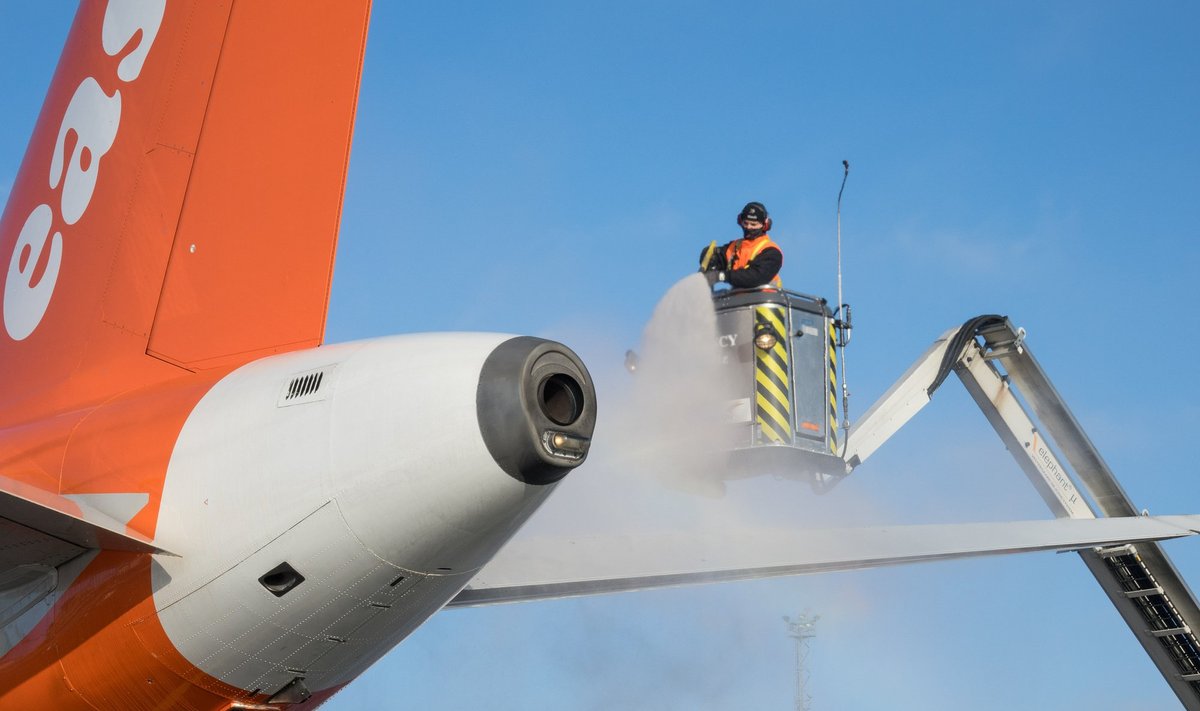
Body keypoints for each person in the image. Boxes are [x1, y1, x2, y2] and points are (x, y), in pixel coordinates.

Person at [699, 201, 783, 289]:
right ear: (740, 221)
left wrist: (721, 276)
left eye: (753, 224)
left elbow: (756, 277)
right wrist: (710, 261)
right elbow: (719, 256)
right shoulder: (735, 247)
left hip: (763, 298)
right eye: (746, 223)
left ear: (765, 225)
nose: (749, 227)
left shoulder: (771, 251)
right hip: (739, 300)